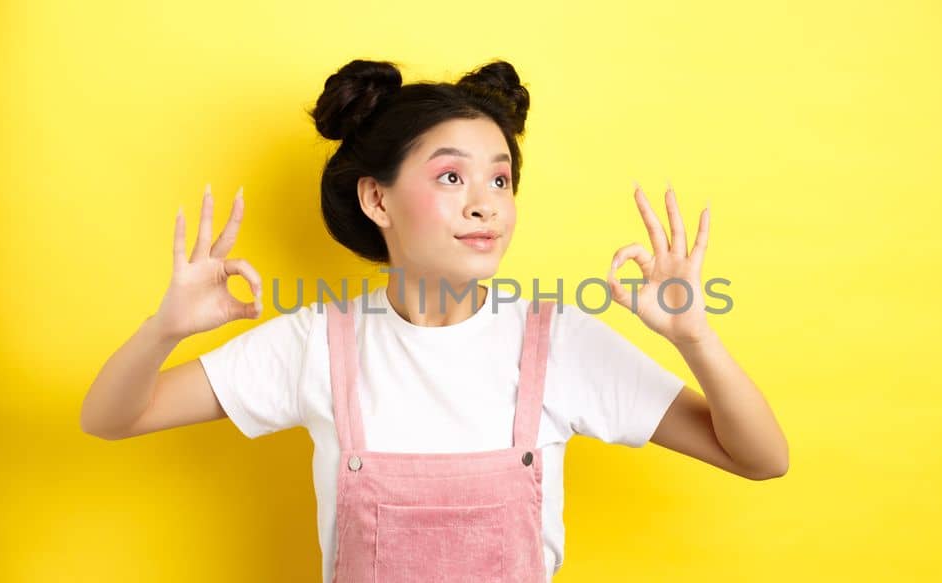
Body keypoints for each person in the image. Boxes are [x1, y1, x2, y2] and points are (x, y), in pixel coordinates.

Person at [80, 58, 789, 582]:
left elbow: (761, 458)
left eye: (500, 177)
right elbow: (111, 416)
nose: (485, 203)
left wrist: (696, 337)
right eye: (451, 176)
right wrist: (164, 327)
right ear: (377, 200)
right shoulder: (317, 344)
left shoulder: (561, 342)